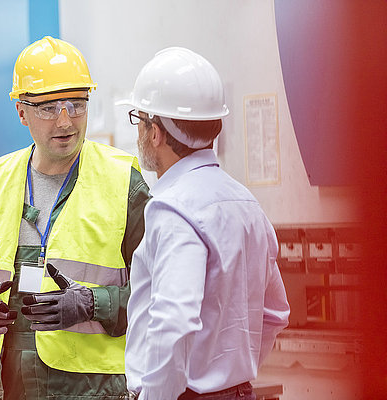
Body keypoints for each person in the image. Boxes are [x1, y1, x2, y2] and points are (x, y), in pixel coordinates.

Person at [0, 36, 150, 400]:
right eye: (48, 107)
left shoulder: (123, 184)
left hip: (92, 391)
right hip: (4, 387)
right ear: (21, 112)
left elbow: (157, 293)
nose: (65, 120)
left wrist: (94, 303)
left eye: (76, 104)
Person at [122, 47, 290, 400]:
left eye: (139, 120)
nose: (138, 132)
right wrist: (228, 376)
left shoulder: (173, 209)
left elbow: (174, 322)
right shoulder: (246, 203)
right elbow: (275, 312)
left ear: (155, 132)